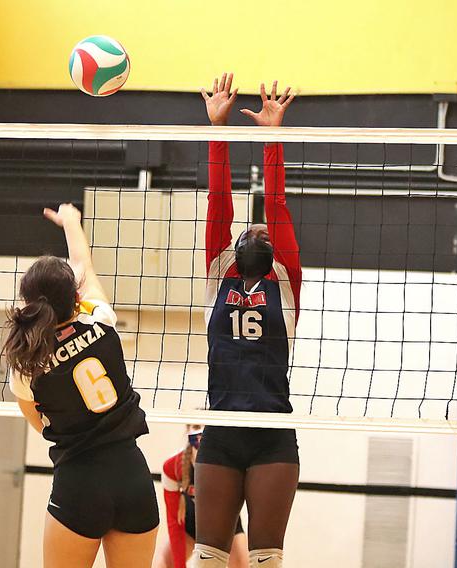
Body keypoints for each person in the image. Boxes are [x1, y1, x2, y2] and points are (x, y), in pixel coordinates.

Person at [5, 203, 159, 568]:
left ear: (29, 304)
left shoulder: (28, 361)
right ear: (74, 297)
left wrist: (66, 425)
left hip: (79, 481)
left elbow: (35, 418)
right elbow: (83, 266)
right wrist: (71, 222)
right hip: (133, 477)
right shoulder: (100, 319)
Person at [194, 73, 301, 568]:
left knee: (264, 559)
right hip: (220, 427)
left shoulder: (285, 277)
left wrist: (271, 137)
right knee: (209, 556)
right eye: (249, 225)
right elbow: (220, 201)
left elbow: (274, 203)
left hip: (272, 430)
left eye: (263, 227)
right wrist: (217, 129)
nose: (256, 225)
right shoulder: (220, 269)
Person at [153, 424, 248, 568]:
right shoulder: (173, 466)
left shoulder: (229, 463)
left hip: (228, 528)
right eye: (196, 426)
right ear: (188, 429)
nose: (200, 432)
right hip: (190, 527)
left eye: (205, 426)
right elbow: (174, 522)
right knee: (162, 563)